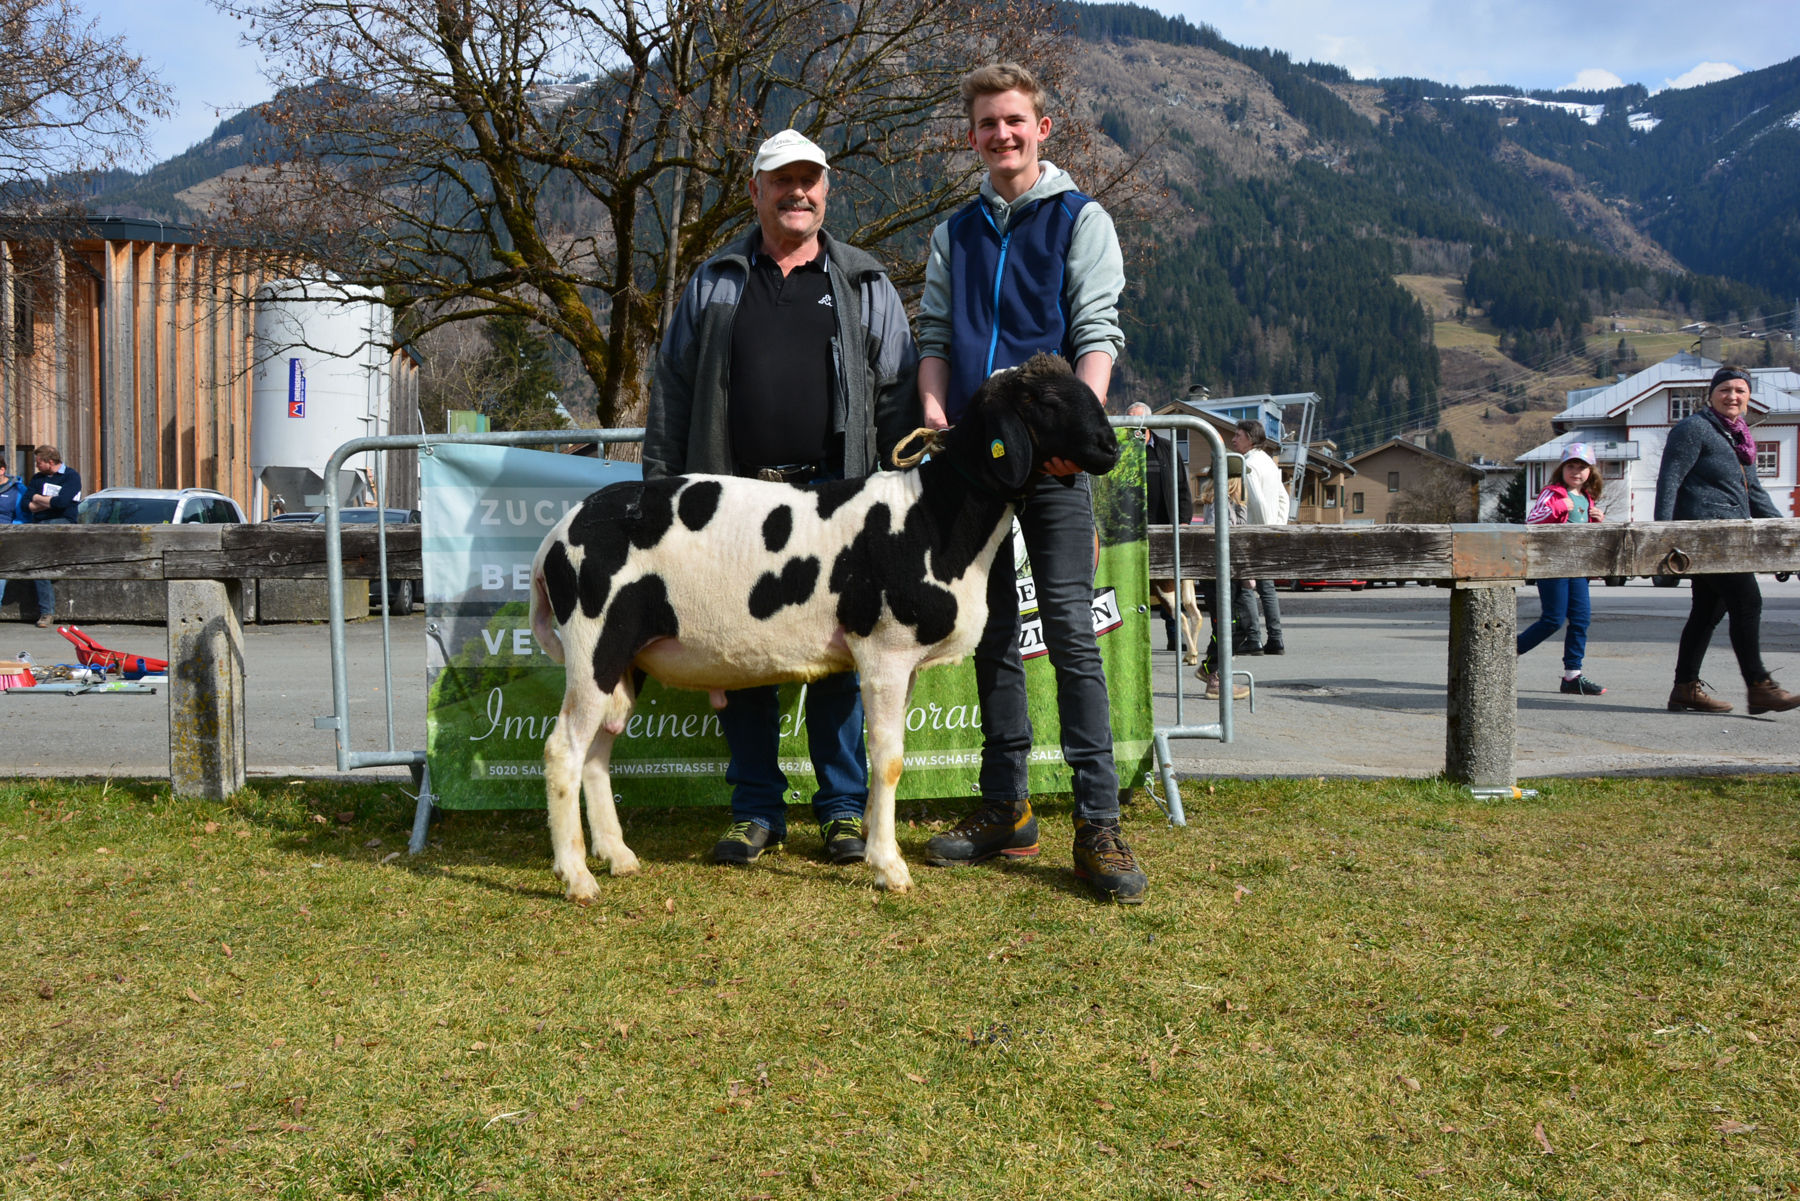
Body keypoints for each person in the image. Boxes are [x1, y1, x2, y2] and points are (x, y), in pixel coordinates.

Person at [644, 129, 920, 867]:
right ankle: (756, 808)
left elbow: (897, 398)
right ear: (757, 190)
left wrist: (899, 501)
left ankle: (839, 810)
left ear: (827, 189)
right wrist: (660, 500)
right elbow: (670, 394)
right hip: (735, 505)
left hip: (840, 504)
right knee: (740, 659)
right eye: (783, 181)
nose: (799, 193)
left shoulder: (865, 283)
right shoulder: (715, 280)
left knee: (840, 659)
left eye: (811, 181)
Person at [916, 62, 1146, 903]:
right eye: (987, 124)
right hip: (973, 467)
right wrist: (938, 420)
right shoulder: (953, 233)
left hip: (1048, 465)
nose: (1002, 135)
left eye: (1016, 121)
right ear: (971, 136)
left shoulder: (1082, 218)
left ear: (1043, 129)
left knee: (1072, 634)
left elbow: (1096, 333)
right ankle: (1006, 809)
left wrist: (1070, 439)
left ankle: (1098, 822)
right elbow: (934, 335)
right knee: (990, 634)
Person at [1655, 366, 1800, 715]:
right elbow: (1669, 481)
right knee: (1748, 601)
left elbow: (1756, 496)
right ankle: (1760, 685)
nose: (1732, 396)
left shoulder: (1739, 438)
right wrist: (1660, 535)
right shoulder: (1694, 429)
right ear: (1711, 395)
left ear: (1748, 397)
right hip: (1705, 538)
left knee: (1707, 612)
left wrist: (1786, 538)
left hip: (1732, 538)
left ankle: (1684, 688)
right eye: (1725, 389)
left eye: (1740, 390)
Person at [1517, 443, 1607, 695]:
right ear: (1562, 468)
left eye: (1582, 467)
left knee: (1581, 620)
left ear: (1590, 472)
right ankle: (1511, 649)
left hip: (1578, 567)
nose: (1576, 472)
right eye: (1571, 466)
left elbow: (1582, 536)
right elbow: (1531, 520)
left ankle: (1572, 676)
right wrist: (1557, 508)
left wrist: (1596, 522)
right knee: (1553, 620)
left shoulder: (1587, 498)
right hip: (1552, 565)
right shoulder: (1552, 493)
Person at [1129, 402, 1196, 654]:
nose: (1132, 424)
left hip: (1166, 529)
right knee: (1137, 589)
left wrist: (1184, 521)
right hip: (1133, 532)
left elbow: (1182, 488)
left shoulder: (1168, 450)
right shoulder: (1123, 451)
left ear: (1149, 422)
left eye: (1136, 419)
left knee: (1169, 589)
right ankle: (1138, 643)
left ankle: (1176, 637)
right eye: (1128, 419)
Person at [1233, 419, 1288, 655]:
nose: (1233, 439)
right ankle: (1275, 639)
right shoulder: (1269, 463)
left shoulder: (1249, 465)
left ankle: (1253, 638)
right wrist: (1278, 527)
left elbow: (1256, 500)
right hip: (1269, 531)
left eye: (1238, 435)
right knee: (1267, 588)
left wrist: (1260, 530)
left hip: (1253, 533)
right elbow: (1284, 498)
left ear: (1250, 438)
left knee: (1246, 585)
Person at [1194, 476, 1250, 701]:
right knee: (1231, 624)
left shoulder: (1231, 502)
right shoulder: (1220, 501)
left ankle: (1210, 670)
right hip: (1218, 572)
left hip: (1229, 571)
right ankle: (1213, 676)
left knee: (1241, 623)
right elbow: (1225, 533)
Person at [21, 446, 80, 627]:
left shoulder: (71, 476)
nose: (37, 466)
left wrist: (37, 498)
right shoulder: (38, 478)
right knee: (38, 564)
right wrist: (48, 502)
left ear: (50, 462)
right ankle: (46, 612)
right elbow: (25, 504)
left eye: (39, 462)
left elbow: (63, 503)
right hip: (39, 525)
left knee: (42, 561)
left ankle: (47, 611)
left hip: (62, 523)